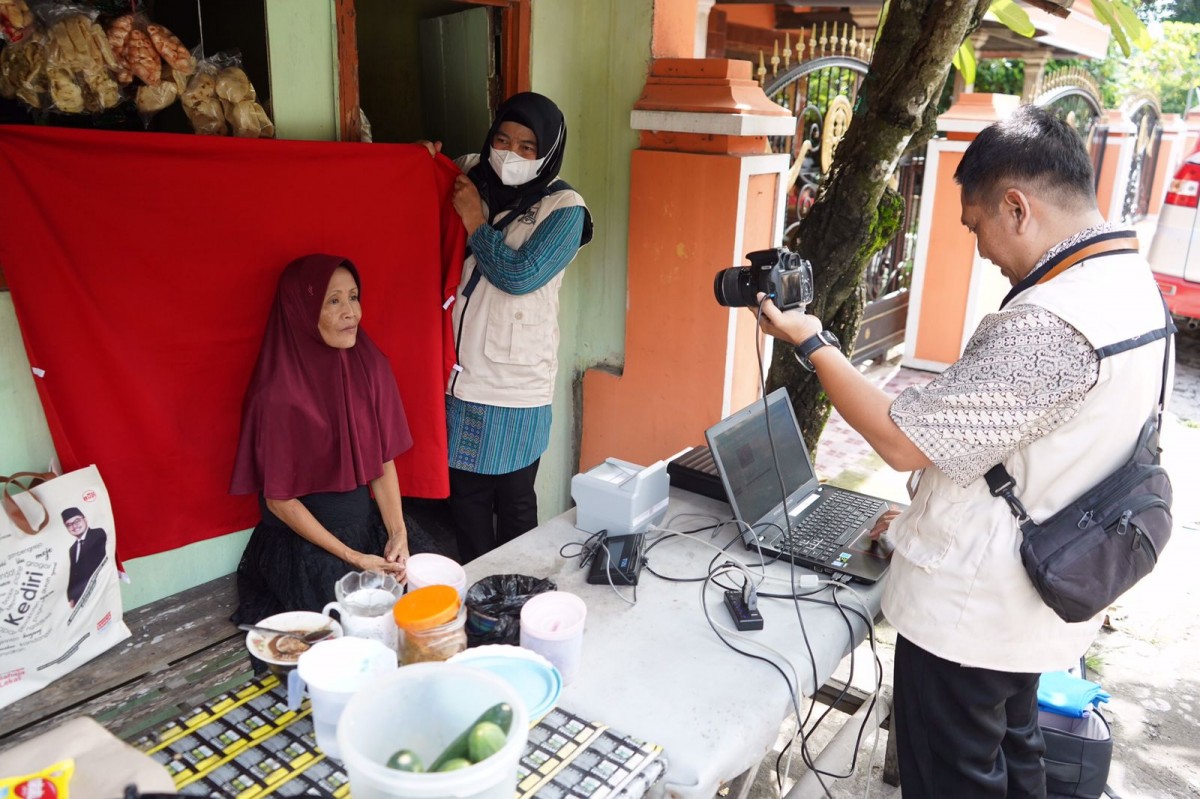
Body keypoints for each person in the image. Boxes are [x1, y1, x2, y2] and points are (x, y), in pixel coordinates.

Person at [757, 106, 1169, 798]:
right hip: (1036, 594)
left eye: (975, 227)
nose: (979, 249)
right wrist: (925, 519)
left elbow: (900, 440)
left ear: (1016, 207)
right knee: (1015, 752)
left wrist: (812, 341)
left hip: (972, 618)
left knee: (954, 778)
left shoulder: (1052, 322)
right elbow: (1051, 450)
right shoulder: (1131, 286)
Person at [423, 92, 593, 562]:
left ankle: (522, 588)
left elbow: (519, 276)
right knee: (467, 503)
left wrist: (475, 222)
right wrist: (419, 157)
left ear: (547, 151)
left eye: (526, 146)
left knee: (515, 503)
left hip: (516, 389)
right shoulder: (472, 173)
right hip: (459, 380)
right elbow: (425, 173)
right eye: (502, 139)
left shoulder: (566, 210)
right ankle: (477, 588)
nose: (510, 153)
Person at [229, 254, 438, 623]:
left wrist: (398, 534)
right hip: (306, 544)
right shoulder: (276, 393)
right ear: (302, 312)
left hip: (366, 528)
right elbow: (279, 501)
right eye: (333, 301)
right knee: (351, 624)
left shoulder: (369, 366)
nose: (351, 313)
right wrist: (353, 558)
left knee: (428, 599)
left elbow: (382, 462)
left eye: (353, 297)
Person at [63, 507, 107, 608]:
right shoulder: (72, 549)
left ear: (85, 519)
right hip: (79, 597)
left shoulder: (98, 533)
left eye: (77, 521)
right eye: (69, 524)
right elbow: (73, 573)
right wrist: (71, 597)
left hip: (98, 589)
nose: (74, 526)